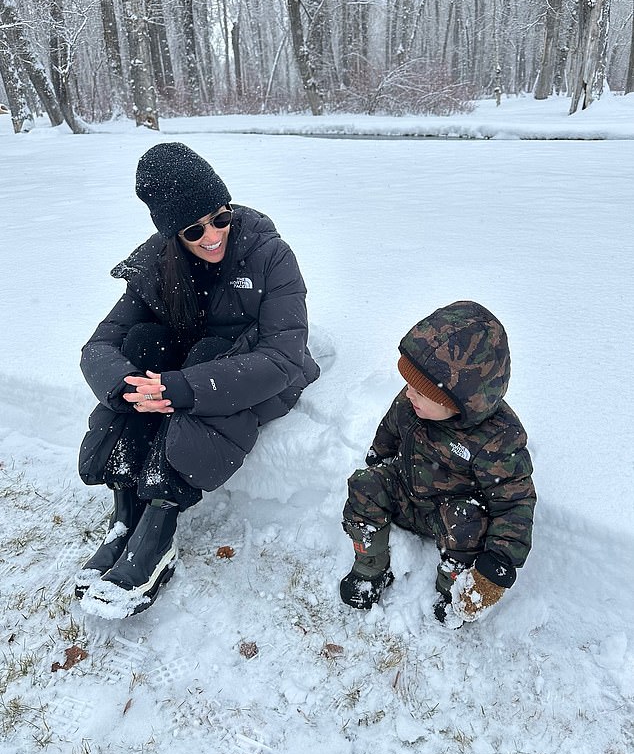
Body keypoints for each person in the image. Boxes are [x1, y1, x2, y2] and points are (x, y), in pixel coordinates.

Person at [75, 142, 320, 619]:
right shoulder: (157, 263)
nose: (212, 235)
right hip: (184, 375)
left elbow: (283, 357)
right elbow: (98, 347)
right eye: (194, 229)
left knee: (206, 354)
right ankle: (125, 517)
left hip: (255, 375)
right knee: (142, 344)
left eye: (220, 218)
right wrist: (133, 387)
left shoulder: (270, 255)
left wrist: (183, 388)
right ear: (172, 233)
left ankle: (158, 527)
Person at [339, 301, 536, 628]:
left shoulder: (497, 439)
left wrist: (498, 564)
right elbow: (390, 429)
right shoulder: (412, 402)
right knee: (365, 484)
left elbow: (515, 501)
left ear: (456, 401)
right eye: (409, 385)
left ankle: (453, 589)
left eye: (420, 391)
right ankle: (371, 565)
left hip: (451, 518)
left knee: (466, 519)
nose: (409, 394)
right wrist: (379, 458)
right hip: (405, 494)